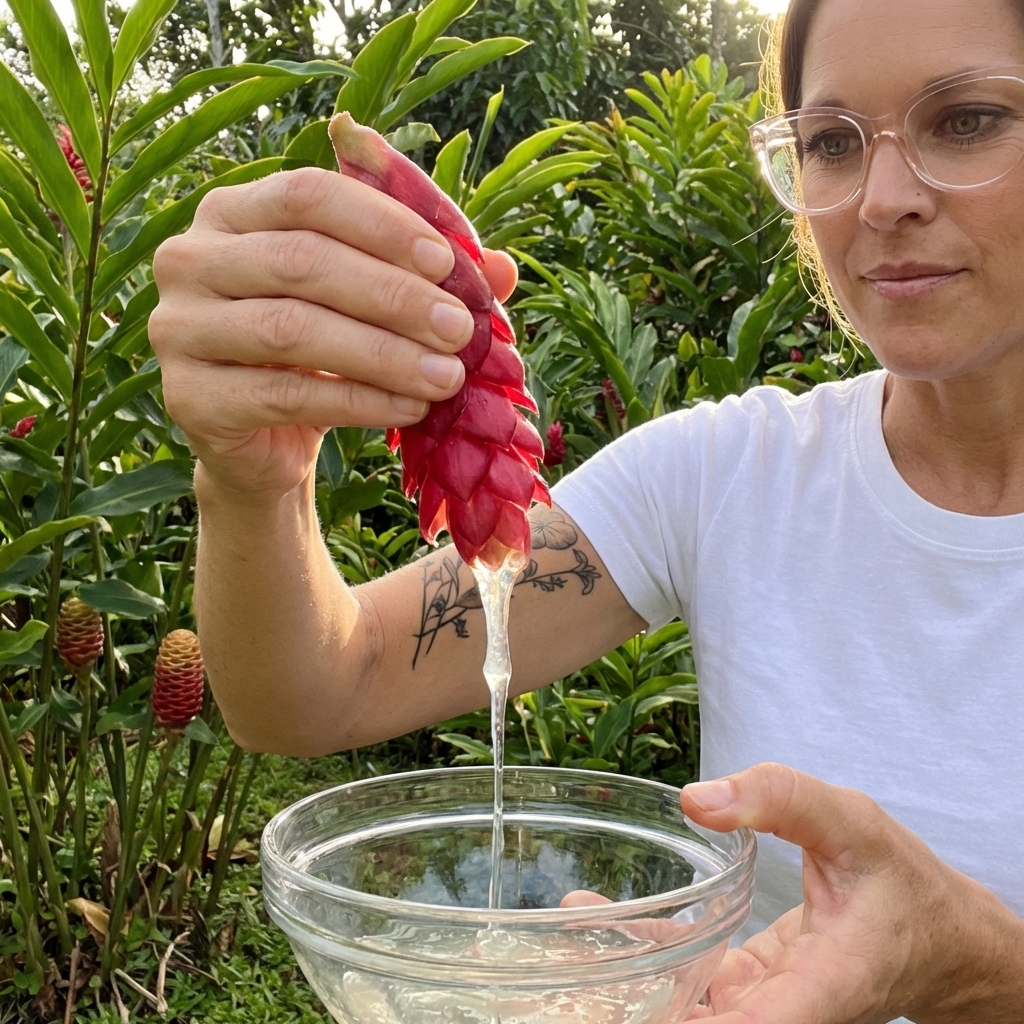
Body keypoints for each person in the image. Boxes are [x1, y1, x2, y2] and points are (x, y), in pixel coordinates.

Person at [149, 0, 1024, 1017]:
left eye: (964, 119)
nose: (880, 198)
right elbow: (318, 688)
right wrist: (252, 478)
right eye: (829, 141)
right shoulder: (728, 474)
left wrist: (973, 964)